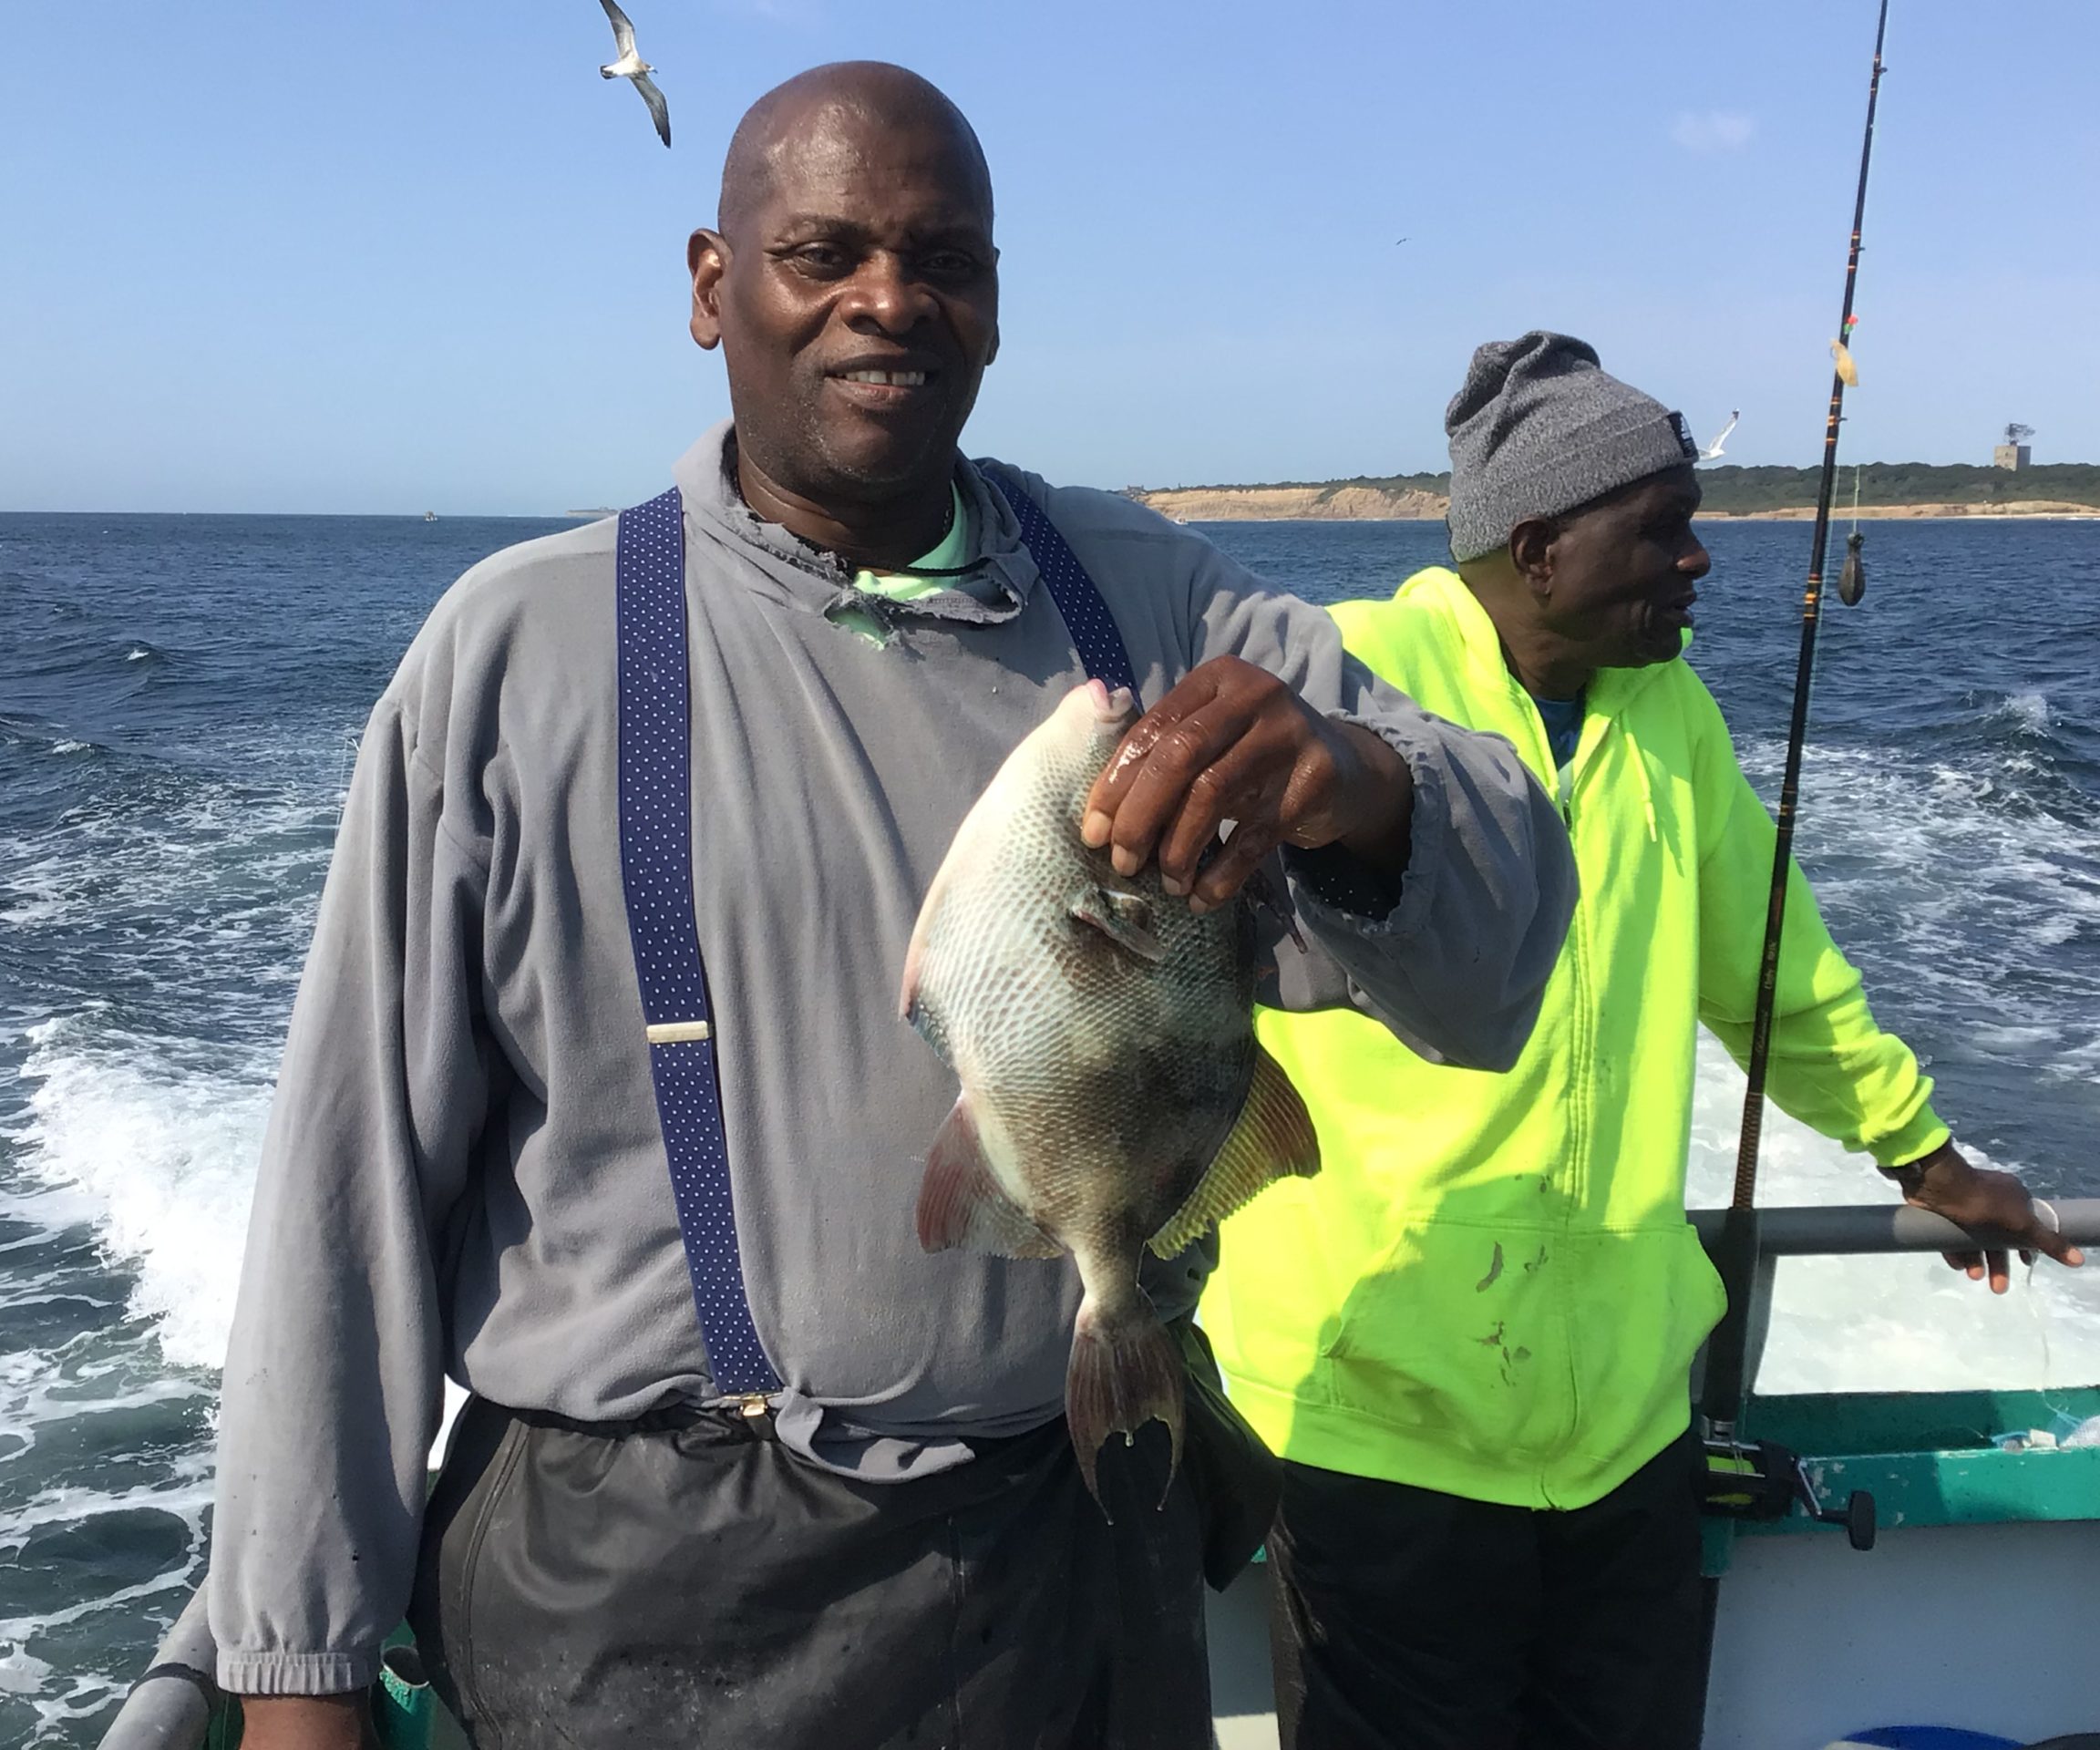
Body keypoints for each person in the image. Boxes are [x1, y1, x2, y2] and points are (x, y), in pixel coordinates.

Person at [206, 65, 1577, 1750]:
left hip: (1073, 1546)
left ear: (996, 300)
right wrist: (297, 1673)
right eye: (824, 254)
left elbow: (1507, 943)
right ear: (713, 287)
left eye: (945, 261)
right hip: (636, 1591)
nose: (890, 301)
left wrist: (1357, 786)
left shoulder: (1153, 602)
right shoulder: (520, 652)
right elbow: (348, 1189)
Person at [1201, 331, 2086, 1750]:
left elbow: (1775, 975)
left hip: (1625, 1429)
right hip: (1377, 1426)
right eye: (1663, 526)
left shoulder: (1671, 714)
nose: (1699, 558)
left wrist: (1926, 1158)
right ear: (1539, 547)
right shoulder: (1344, 677)